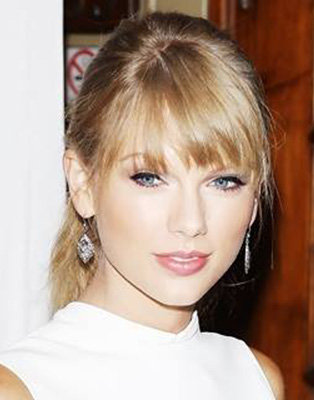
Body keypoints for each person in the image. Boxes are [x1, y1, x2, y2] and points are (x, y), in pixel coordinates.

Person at [0, 12, 284, 400]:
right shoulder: (20, 388)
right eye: (149, 178)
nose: (190, 221)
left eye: (223, 182)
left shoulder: (257, 380)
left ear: (254, 201)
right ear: (82, 183)